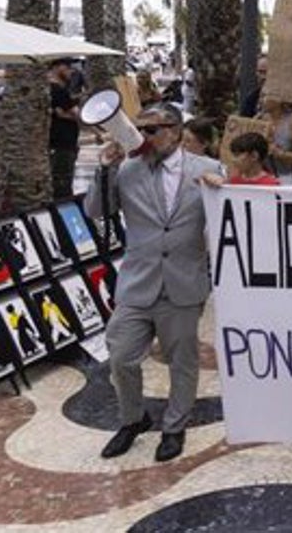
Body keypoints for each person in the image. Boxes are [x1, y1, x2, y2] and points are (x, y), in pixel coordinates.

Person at [85, 102, 221, 463]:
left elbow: (236, 215)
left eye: (152, 129)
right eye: (139, 129)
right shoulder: (127, 169)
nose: (143, 137)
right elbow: (96, 211)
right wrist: (104, 171)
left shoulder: (207, 169)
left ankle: (174, 427)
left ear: (175, 131)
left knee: (182, 361)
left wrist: (222, 191)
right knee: (121, 356)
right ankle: (133, 419)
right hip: (137, 282)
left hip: (183, 282)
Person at [259, 96, 292, 185]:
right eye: (262, 95)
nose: (262, 100)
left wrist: (282, 154)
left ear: (279, 99)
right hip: (264, 177)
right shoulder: (260, 120)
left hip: (287, 178)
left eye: (267, 96)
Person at [48, 59, 81, 199]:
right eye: (67, 68)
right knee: (63, 181)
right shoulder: (57, 90)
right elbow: (76, 114)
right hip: (63, 141)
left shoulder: (56, 89)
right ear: (58, 67)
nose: (71, 71)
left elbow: (61, 112)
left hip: (64, 140)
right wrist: (97, 131)